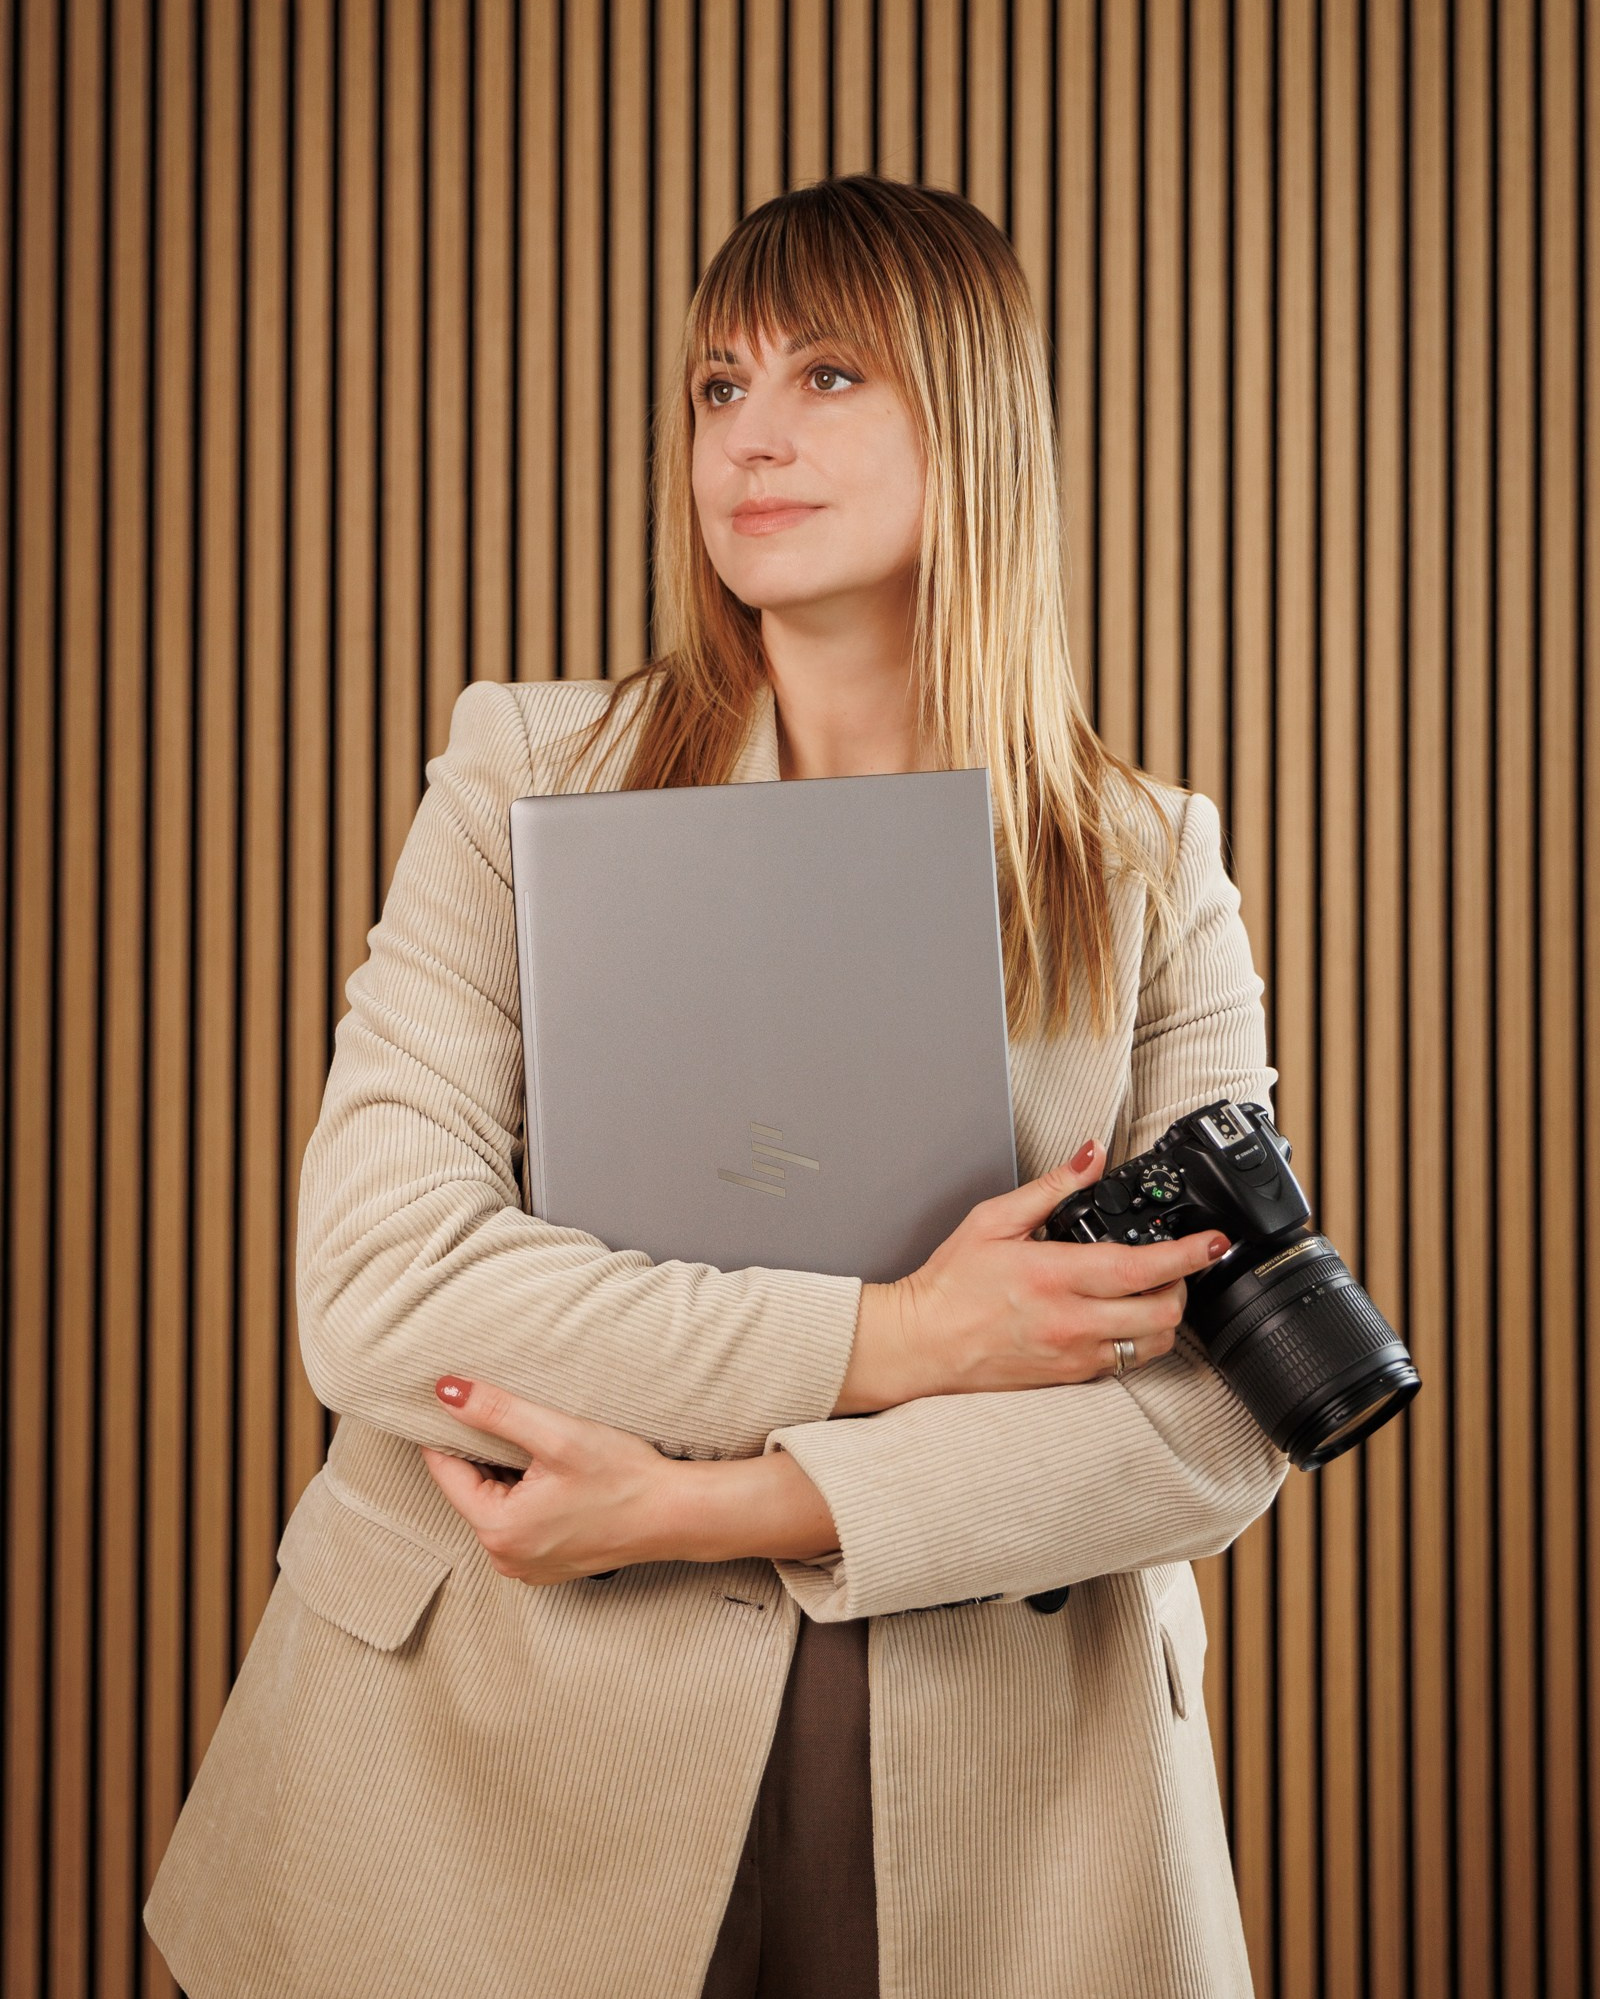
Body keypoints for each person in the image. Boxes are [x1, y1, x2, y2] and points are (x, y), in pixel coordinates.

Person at [143, 173, 1288, 1998]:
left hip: (1002, 1791)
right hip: (482, 1754)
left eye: (830, 374)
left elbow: (1229, 1415)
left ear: (977, 417)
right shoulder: (524, 775)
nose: (749, 434)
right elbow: (378, 1295)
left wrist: (721, 1504)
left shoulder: (1148, 860)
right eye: (716, 383)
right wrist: (909, 1337)